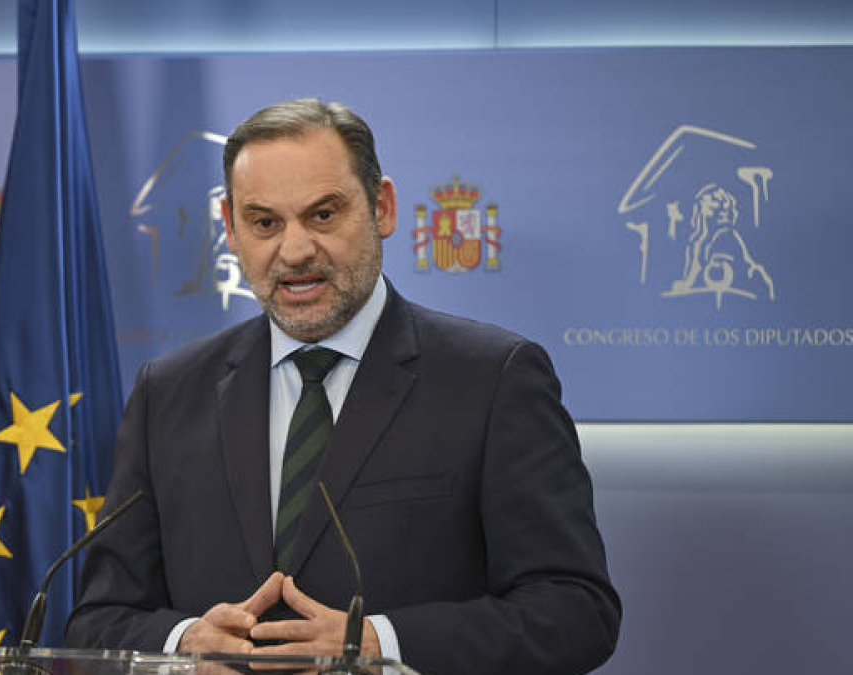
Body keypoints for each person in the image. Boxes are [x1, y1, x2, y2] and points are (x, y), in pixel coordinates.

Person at [66, 98, 621, 674]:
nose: (296, 250)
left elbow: (576, 611)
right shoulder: (170, 391)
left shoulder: (493, 378)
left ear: (381, 208)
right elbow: (97, 620)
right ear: (231, 229)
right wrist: (183, 644)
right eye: (265, 223)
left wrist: (380, 642)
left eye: (324, 215)